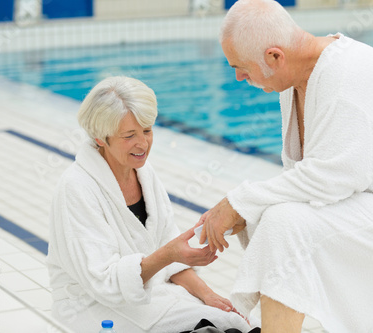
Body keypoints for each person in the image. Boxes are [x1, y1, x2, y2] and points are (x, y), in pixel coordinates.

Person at [198, 1, 373, 332]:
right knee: (274, 217)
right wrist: (247, 209)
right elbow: (304, 179)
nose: (237, 77)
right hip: (366, 198)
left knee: (284, 223)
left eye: (241, 67)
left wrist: (239, 202)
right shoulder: (292, 81)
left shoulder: (347, 78)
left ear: (275, 57)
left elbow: (333, 179)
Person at [46, 76, 252, 333]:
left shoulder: (143, 173)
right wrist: (167, 254)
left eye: (147, 130)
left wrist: (208, 295)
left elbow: (171, 259)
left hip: (151, 299)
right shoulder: (76, 188)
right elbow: (105, 282)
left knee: (237, 324)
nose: (142, 144)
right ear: (100, 138)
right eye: (129, 135)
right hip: (93, 309)